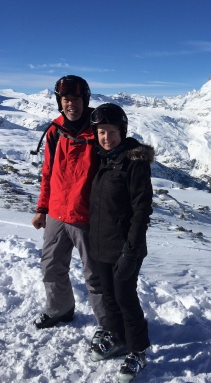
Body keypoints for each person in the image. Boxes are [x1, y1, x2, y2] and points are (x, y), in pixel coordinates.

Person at [31, 75, 106, 339]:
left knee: (96, 276)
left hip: (87, 216)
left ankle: (108, 326)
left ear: (85, 100)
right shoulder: (55, 130)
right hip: (56, 213)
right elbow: (48, 172)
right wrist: (42, 208)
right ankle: (60, 309)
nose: (70, 103)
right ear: (59, 102)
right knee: (51, 266)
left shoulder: (99, 129)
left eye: (75, 98)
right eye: (65, 99)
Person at [88, 103, 154, 381]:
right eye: (101, 132)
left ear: (122, 131)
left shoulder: (133, 163)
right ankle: (117, 338)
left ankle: (138, 350)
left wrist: (131, 251)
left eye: (111, 131)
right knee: (109, 297)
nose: (106, 137)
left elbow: (142, 211)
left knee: (126, 298)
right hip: (101, 244)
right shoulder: (102, 158)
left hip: (126, 247)